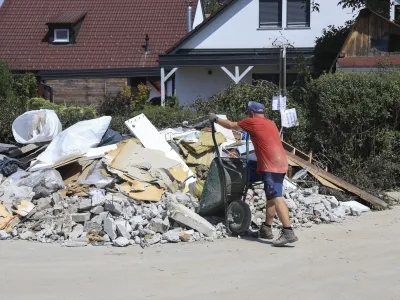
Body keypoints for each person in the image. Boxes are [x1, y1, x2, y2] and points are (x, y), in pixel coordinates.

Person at [209, 101, 298, 246]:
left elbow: (231, 125)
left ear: (251, 113)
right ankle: (266, 229)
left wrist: (216, 119)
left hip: (271, 165)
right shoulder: (270, 123)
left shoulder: (251, 121)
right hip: (281, 162)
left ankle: (288, 231)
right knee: (271, 197)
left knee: (276, 197)